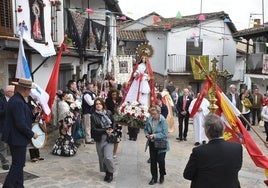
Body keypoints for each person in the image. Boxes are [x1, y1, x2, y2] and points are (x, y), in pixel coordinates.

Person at [183, 114, 243, 188]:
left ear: (206, 132)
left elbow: (187, 175)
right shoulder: (237, 147)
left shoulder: (199, 151)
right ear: (223, 130)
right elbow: (237, 167)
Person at [2, 78, 38, 187]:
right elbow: (20, 123)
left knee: (19, 164)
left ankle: (19, 185)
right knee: (18, 165)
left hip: (17, 137)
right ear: (25, 89)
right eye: (29, 89)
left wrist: (33, 112)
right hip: (17, 138)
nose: (30, 92)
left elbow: (22, 118)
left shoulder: (18, 100)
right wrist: (32, 134)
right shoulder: (17, 101)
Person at [91, 98, 115, 183]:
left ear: (103, 105)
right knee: (102, 158)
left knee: (108, 157)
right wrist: (105, 130)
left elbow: (114, 122)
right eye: (96, 104)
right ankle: (107, 172)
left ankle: (111, 172)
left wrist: (112, 129)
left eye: (100, 103)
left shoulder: (108, 112)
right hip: (100, 139)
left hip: (109, 138)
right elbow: (93, 129)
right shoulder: (93, 116)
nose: (98, 105)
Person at [144, 105, 170, 185]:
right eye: (152, 114)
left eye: (155, 114)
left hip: (161, 144)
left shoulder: (163, 121)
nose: (153, 116)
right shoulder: (149, 119)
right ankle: (154, 178)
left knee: (161, 161)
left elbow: (165, 134)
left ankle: (162, 175)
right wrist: (147, 134)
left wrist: (154, 135)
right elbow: (146, 129)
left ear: (159, 113)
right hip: (152, 143)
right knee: (153, 161)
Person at [0, 85, 15, 170]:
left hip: (13, 128)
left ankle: (15, 161)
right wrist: (7, 110)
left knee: (13, 144)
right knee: (3, 146)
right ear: (8, 92)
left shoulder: (15, 101)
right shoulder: (1, 101)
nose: (14, 93)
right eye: (13, 92)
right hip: (2, 127)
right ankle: (5, 162)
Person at [105, 88, 122, 158]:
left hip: (118, 121)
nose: (114, 96)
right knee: (110, 136)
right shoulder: (108, 100)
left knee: (117, 138)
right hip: (110, 120)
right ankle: (109, 151)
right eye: (113, 94)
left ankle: (114, 152)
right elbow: (107, 110)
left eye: (115, 94)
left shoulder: (120, 100)